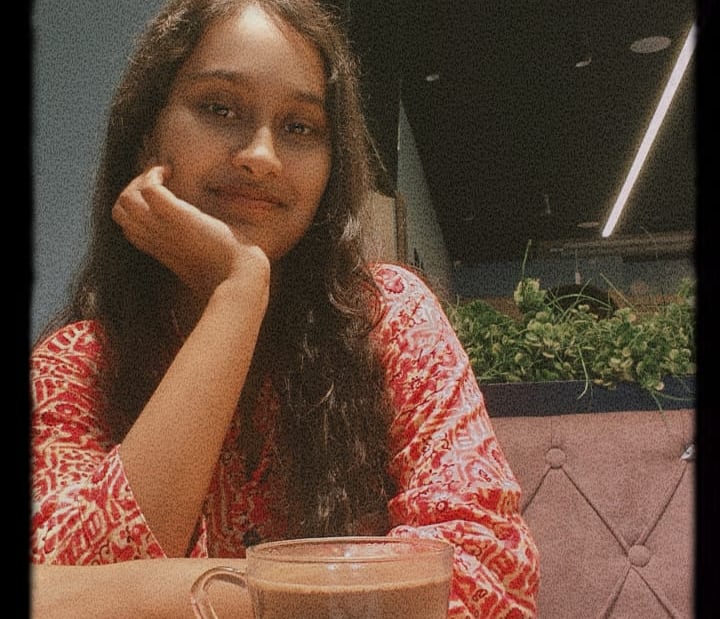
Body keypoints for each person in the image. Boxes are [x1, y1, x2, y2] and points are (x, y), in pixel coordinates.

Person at [30, 0, 539, 616]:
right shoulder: (77, 361)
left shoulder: (389, 317)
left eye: (299, 127)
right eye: (219, 108)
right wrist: (238, 292)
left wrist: (174, 595)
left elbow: (487, 576)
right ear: (146, 137)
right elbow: (58, 592)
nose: (261, 156)